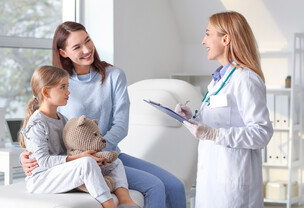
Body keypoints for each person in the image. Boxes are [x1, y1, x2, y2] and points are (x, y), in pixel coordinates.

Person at [21, 22, 186, 208]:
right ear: (63, 53)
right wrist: (27, 156)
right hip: (78, 161)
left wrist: (99, 154)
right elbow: (45, 126)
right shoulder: (59, 84)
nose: (86, 49)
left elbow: (121, 125)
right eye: (77, 47)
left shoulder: (114, 76)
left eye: (88, 41)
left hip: (109, 155)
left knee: (175, 186)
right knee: (155, 186)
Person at [175, 11, 273, 208]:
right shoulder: (218, 80)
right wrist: (191, 118)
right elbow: (216, 124)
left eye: (208, 34)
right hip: (211, 181)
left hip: (233, 185)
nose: (203, 41)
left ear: (226, 39)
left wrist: (213, 133)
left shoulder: (245, 79)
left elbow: (262, 133)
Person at [19, 65, 139, 208]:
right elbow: (43, 161)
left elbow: (69, 149)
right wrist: (80, 158)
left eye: (67, 86)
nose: (68, 92)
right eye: (62, 87)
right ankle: (109, 205)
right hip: (41, 179)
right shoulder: (37, 124)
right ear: (46, 92)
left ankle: (126, 201)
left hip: (60, 171)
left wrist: (91, 156)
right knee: (86, 163)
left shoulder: (62, 119)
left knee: (115, 162)